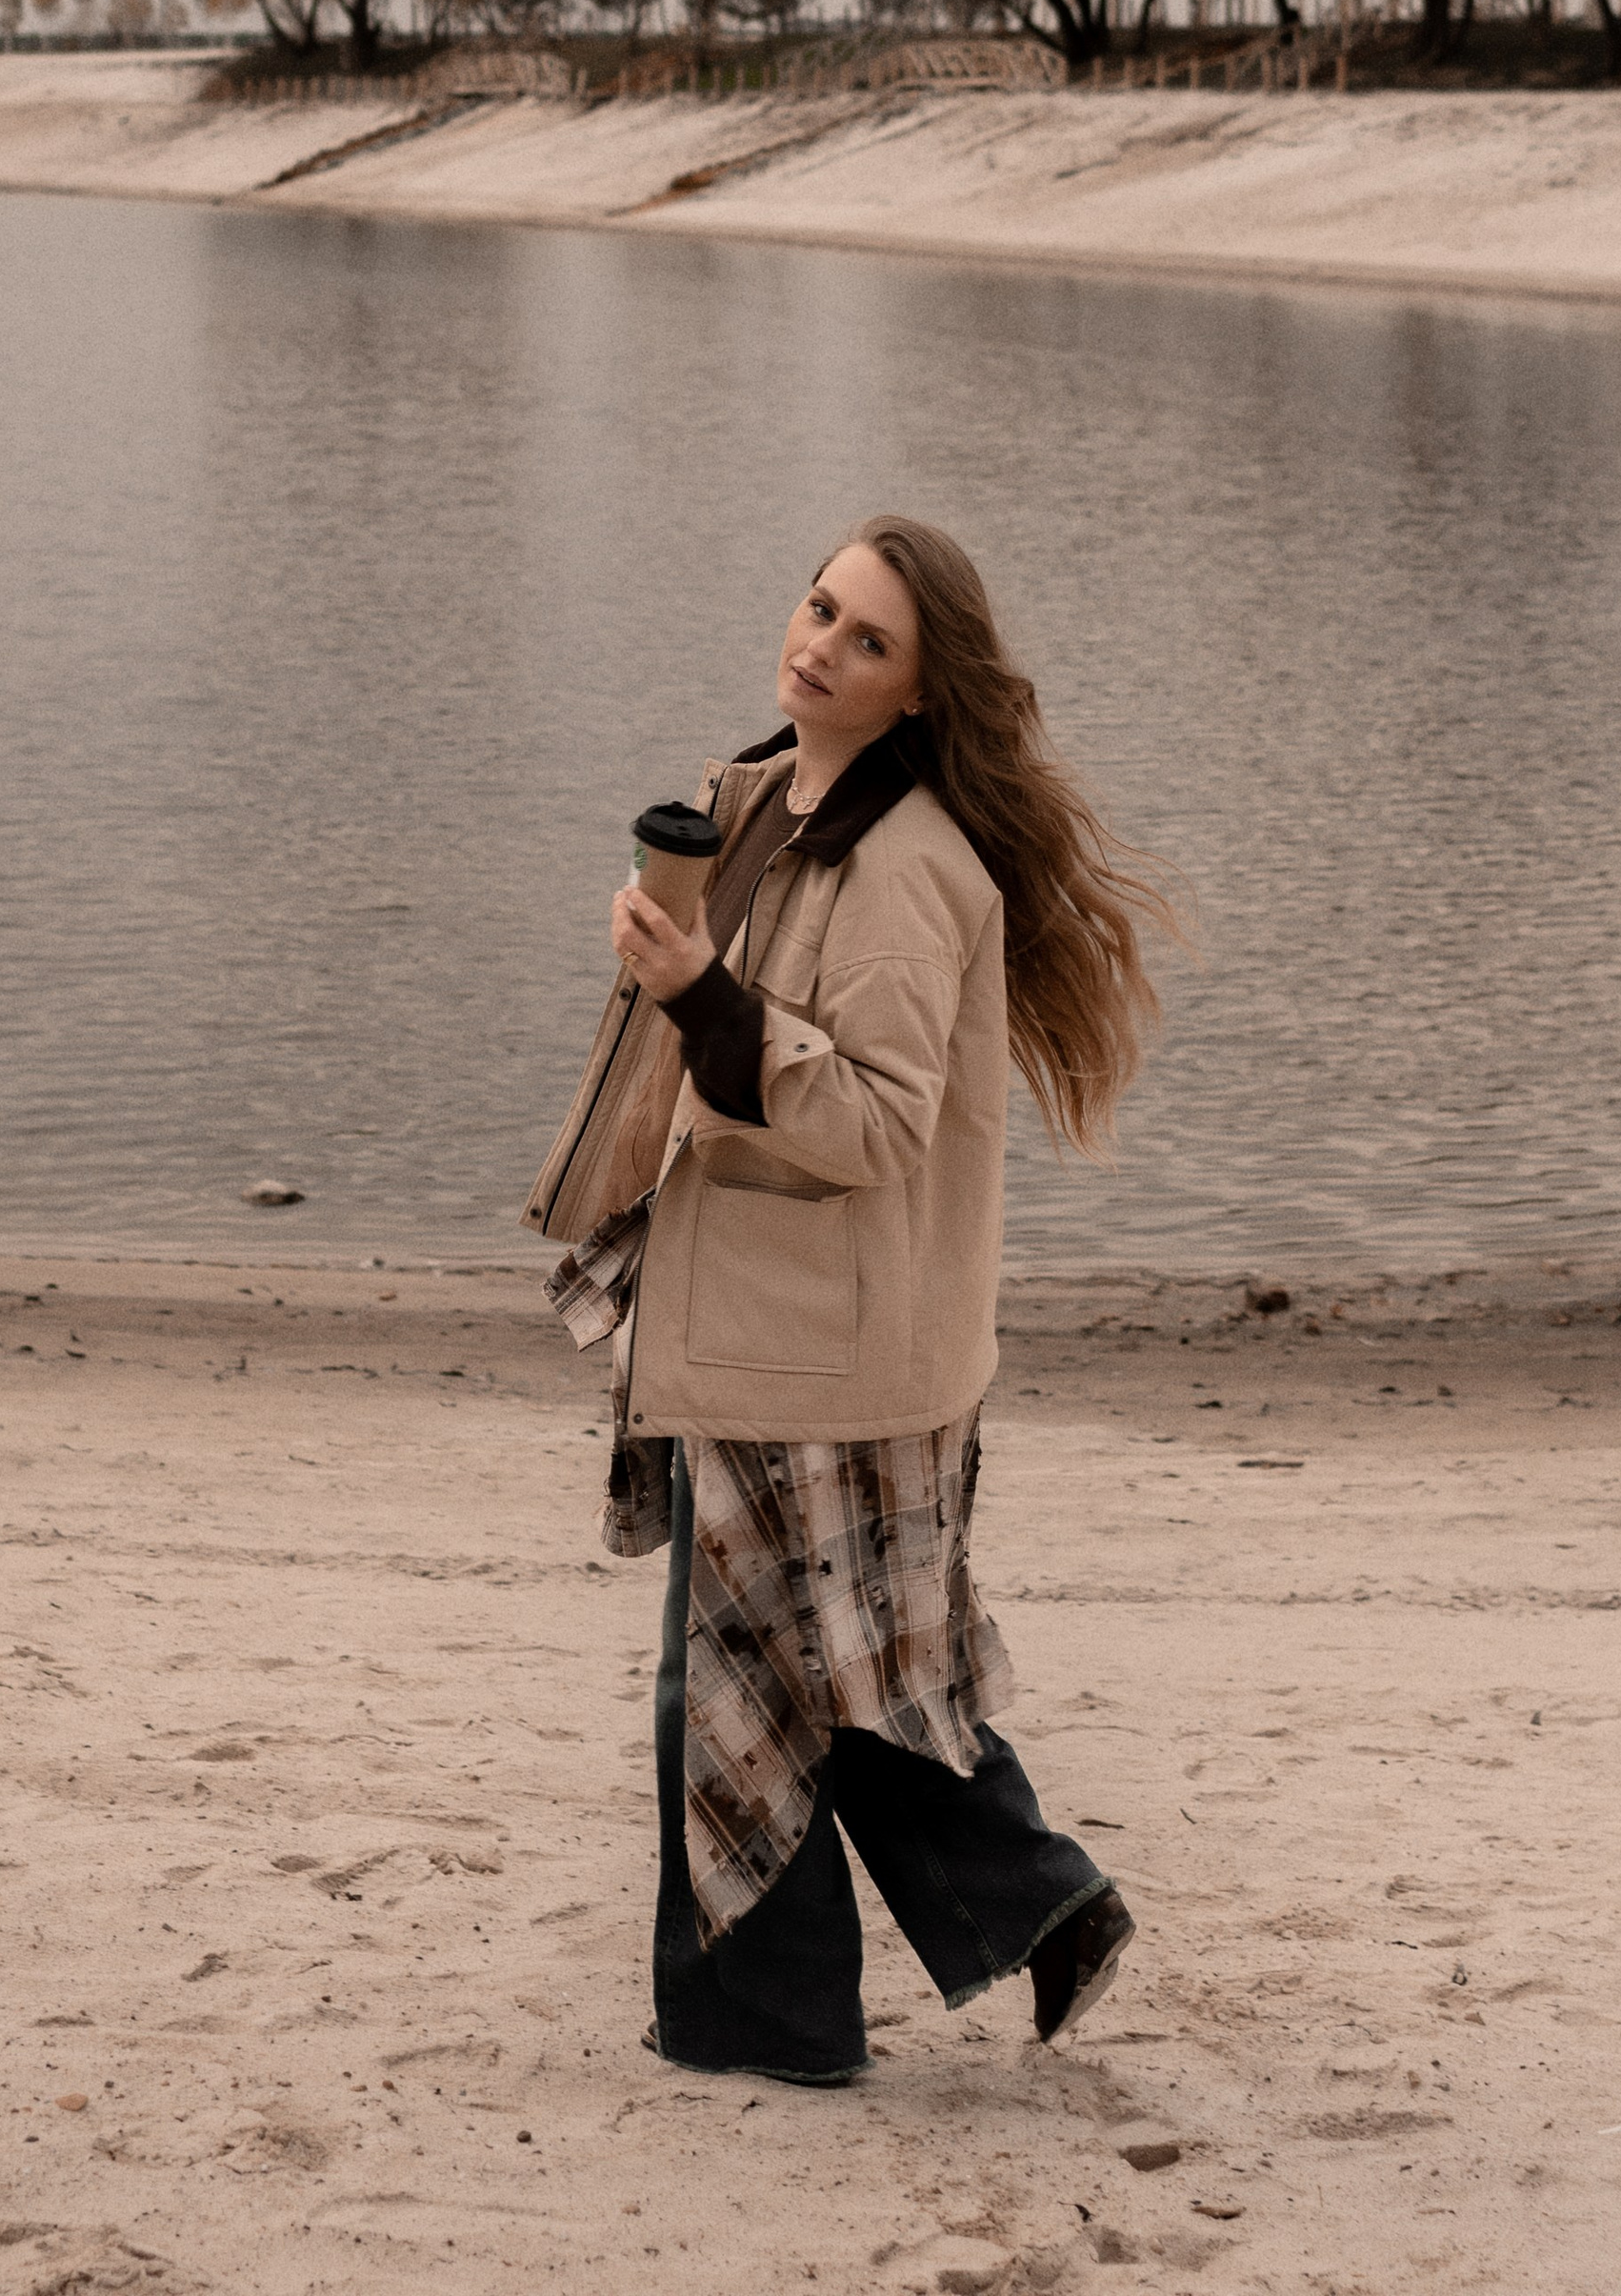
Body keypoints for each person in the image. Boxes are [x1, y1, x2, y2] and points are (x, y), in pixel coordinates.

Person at [533, 513, 1173, 2088]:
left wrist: (700, 995)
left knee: (741, 1684)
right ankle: (1037, 1912)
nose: (820, 644)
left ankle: (778, 2022)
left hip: (821, 1338)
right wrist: (673, 976)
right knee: (835, 1671)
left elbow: (875, 1122)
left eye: (867, 638)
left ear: (917, 692)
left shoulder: (913, 866)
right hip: (764, 1312)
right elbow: (715, 1037)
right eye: (820, 607)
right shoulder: (759, 797)